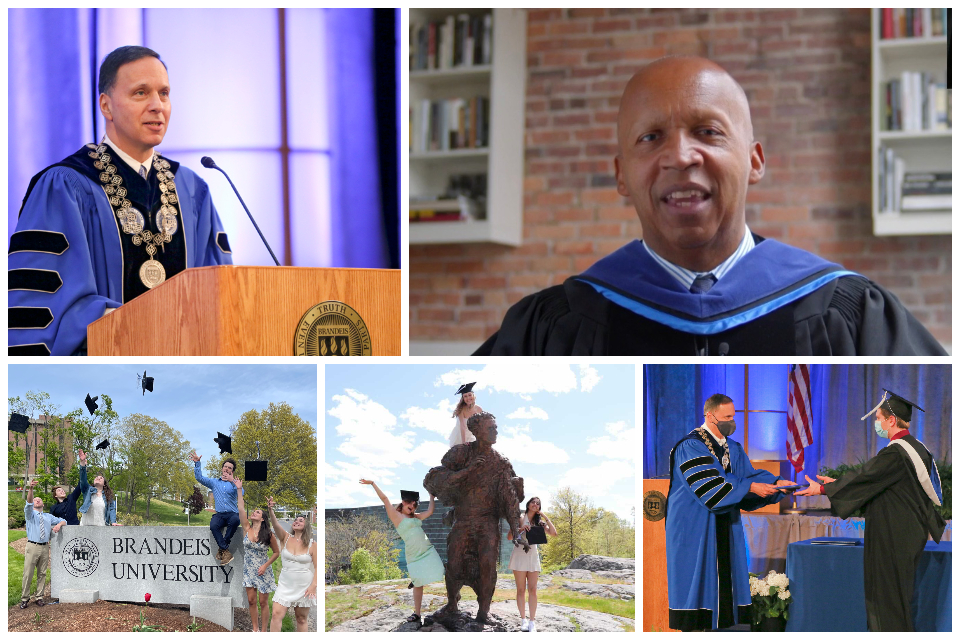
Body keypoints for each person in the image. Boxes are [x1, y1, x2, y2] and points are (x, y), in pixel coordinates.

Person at [474, 55, 946, 356]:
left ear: (754, 160)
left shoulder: (850, 310)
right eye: (651, 137)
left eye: (708, 131)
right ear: (621, 174)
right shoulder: (556, 324)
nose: (680, 156)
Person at [8, 44, 233, 356]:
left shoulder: (192, 190)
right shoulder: (66, 185)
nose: (158, 105)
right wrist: (146, 326)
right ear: (106, 105)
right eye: (141, 93)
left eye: (164, 93)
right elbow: (46, 305)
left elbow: (220, 294)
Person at [796, 390, 945, 632]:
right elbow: (881, 487)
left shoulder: (896, 453)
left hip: (893, 536)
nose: (876, 423)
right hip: (906, 532)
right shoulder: (917, 448)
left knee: (888, 602)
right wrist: (835, 485)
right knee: (897, 598)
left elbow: (866, 477)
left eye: (878, 418)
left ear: (891, 420)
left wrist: (823, 489)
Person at [665, 393, 795, 631]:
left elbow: (748, 477)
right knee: (697, 594)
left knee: (726, 601)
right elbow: (711, 489)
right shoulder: (690, 446)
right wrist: (750, 486)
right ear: (710, 415)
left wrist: (778, 485)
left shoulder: (732, 448)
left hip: (725, 526)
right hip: (694, 529)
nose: (731, 421)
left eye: (733, 416)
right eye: (726, 417)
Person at [359, 480, 445, 628]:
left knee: (441, 570)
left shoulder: (416, 517)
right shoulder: (396, 516)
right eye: (409, 504)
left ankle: (451, 599)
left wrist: (431, 497)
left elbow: (430, 512)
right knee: (419, 583)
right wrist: (373, 483)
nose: (411, 507)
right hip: (414, 555)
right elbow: (385, 499)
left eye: (414, 505)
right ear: (403, 503)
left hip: (427, 550)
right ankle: (417, 614)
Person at [234, 479, 280, 633]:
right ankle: (255, 631)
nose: (254, 512)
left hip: (263, 570)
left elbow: (276, 552)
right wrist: (239, 489)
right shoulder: (247, 528)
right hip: (249, 570)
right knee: (252, 601)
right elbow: (241, 508)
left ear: (262, 518)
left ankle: (264, 631)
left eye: (258, 512)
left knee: (263, 602)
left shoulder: (268, 534)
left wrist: (266, 566)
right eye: (254, 511)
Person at [507, 496, 558, 633]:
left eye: (538, 503)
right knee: (521, 590)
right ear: (528, 504)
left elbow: (554, 533)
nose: (535, 504)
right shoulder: (520, 517)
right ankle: (523, 620)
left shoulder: (540, 522)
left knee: (533, 590)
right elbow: (509, 537)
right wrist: (521, 528)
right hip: (519, 555)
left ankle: (532, 622)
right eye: (533, 502)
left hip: (533, 557)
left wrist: (545, 516)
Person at [267, 498, 317, 632]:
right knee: (276, 615)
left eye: (301, 520)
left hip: (304, 586)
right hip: (285, 584)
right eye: (296, 520)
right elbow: (276, 524)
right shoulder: (286, 537)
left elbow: (318, 567)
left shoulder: (313, 545)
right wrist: (271, 509)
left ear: (306, 526)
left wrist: (313, 586)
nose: (297, 521)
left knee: (301, 618)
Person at [191, 451, 243, 566]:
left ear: (232, 471)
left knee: (235, 520)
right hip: (219, 514)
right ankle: (225, 550)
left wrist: (232, 482)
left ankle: (222, 548)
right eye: (225, 466)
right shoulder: (214, 482)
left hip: (232, 514)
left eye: (230, 468)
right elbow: (199, 478)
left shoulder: (235, 483)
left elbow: (241, 493)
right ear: (222, 468)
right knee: (213, 525)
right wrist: (197, 463)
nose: (227, 469)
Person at [21, 480, 66, 608]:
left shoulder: (48, 516)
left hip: (45, 547)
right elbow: (28, 502)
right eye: (35, 499)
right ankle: (25, 598)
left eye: (39, 499)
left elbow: (64, 520)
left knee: (42, 573)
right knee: (28, 573)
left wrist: (58, 525)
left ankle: (39, 597)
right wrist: (30, 489)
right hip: (32, 546)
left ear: (43, 503)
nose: (37, 500)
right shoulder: (30, 515)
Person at [50, 449, 89, 525]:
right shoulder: (53, 508)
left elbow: (81, 484)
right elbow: (51, 522)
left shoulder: (71, 498)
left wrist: (83, 467)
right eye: (59, 491)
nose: (62, 491)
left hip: (75, 529)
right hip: (62, 532)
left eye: (62, 490)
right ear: (55, 495)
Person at [449, 382, 483, 447]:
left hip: (472, 435)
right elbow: (462, 426)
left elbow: (481, 426)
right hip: (460, 435)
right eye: (465, 396)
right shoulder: (461, 410)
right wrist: (464, 442)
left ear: (473, 396)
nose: (468, 398)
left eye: (470, 395)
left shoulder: (479, 409)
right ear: (463, 399)